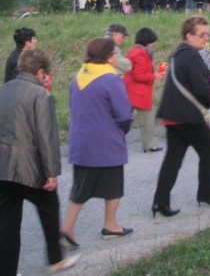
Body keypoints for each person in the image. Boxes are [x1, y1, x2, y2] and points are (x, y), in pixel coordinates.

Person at [0, 49, 80, 275]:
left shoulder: (2, 90)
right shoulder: (40, 95)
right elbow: (46, 138)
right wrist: (51, 172)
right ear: (41, 71)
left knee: (8, 223)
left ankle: (7, 270)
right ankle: (55, 259)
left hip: (2, 169)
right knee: (49, 206)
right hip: (29, 169)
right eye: (46, 74)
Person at [153, 16, 210, 216]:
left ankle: (160, 203)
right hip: (188, 116)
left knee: (173, 160)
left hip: (172, 115)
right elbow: (200, 88)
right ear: (189, 35)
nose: (206, 39)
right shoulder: (192, 56)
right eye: (201, 35)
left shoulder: (178, 54)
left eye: (208, 34)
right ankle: (206, 195)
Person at [61, 38, 134, 244]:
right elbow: (124, 114)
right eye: (114, 54)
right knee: (113, 186)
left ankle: (67, 228)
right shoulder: (111, 79)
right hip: (106, 143)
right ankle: (110, 225)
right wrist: (126, 127)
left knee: (80, 188)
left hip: (80, 142)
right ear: (109, 57)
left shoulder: (78, 77)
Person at [123, 28, 165, 153]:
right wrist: (155, 76)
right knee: (148, 120)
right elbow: (139, 75)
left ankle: (112, 142)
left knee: (124, 119)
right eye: (152, 41)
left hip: (132, 91)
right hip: (139, 92)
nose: (154, 44)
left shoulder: (134, 51)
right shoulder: (140, 54)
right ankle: (149, 145)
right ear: (147, 41)